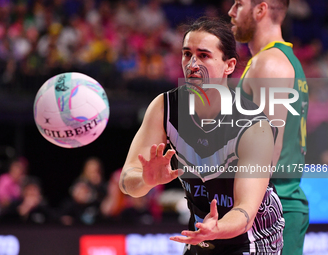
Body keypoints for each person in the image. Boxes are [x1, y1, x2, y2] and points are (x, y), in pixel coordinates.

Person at [119, 17, 284, 254]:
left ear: (229, 65)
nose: (192, 64)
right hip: (202, 234)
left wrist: (216, 228)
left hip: (253, 239)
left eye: (204, 55)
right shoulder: (165, 107)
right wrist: (146, 180)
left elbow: (245, 212)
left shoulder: (253, 125)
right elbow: (127, 181)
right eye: (187, 54)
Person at [228, 1, 309, 254]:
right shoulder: (280, 59)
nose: (231, 11)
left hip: (271, 211)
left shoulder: (269, 64)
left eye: (239, 4)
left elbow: (268, 153)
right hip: (271, 207)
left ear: (260, 10)